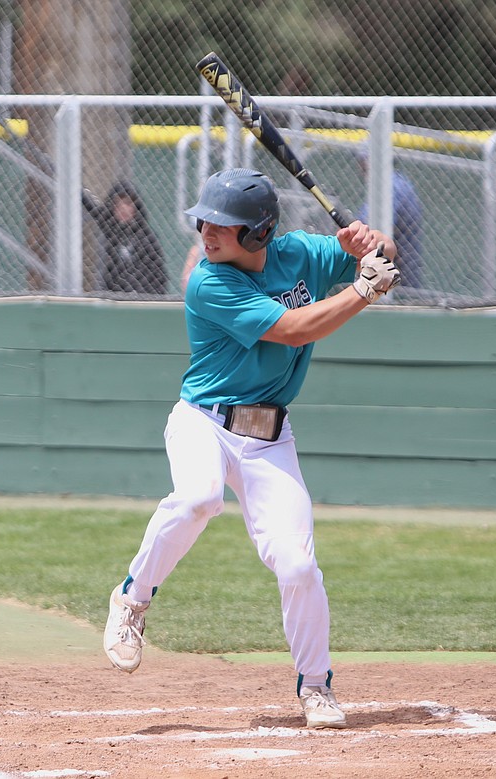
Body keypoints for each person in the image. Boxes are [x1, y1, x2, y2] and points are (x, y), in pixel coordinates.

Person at [102, 168, 399, 730]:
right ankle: (131, 600)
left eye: (223, 225)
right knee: (198, 498)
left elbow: (387, 250)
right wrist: (363, 288)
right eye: (204, 220)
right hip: (203, 423)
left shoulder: (303, 254)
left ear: (260, 233)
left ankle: (316, 686)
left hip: (269, 438)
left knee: (298, 564)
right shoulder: (209, 282)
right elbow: (295, 329)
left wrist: (370, 243)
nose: (207, 232)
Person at [82, 180, 168, 295]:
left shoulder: (146, 236)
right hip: (112, 297)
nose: (123, 208)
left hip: (143, 297)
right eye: (118, 203)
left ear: (136, 207)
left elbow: (159, 276)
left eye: (128, 203)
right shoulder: (109, 227)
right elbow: (92, 206)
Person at [357, 153, 424, 289]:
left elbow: (370, 227)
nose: (361, 166)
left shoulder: (391, 186)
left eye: (363, 161)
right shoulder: (395, 182)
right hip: (396, 276)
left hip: (398, 278)